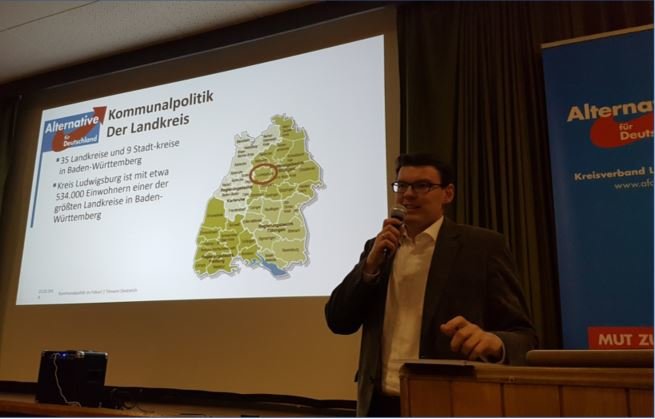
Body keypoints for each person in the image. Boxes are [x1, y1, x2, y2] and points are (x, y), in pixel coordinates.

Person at [325, 153, 537, 417]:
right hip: (379, 404)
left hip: (450, 401)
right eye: (402, 185)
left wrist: (494, 342)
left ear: (448, 194)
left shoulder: (482, 247)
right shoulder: (379, 248)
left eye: (422, 186)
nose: (408, 194)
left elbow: (524, 336)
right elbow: (338, 320)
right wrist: (369, 267)